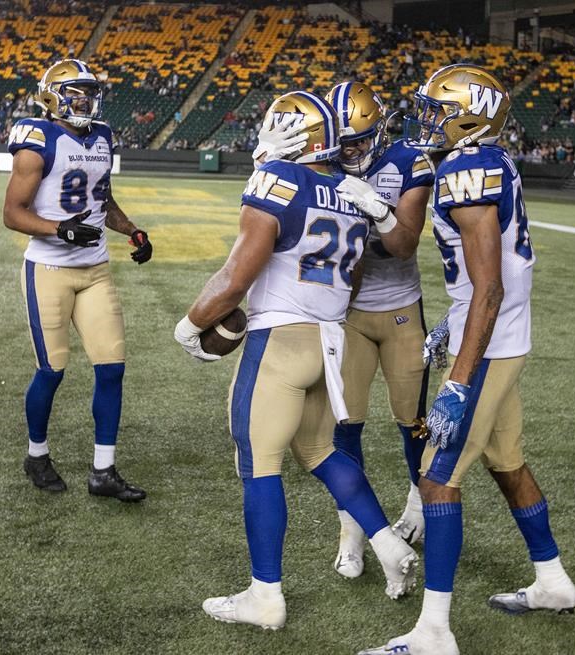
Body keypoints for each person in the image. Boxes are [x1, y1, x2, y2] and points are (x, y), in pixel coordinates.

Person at [175, 91, 418, 631]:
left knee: (259, 463)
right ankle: (386, 545)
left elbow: (238, 274)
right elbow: (351, 276)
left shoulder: (275, 181)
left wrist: (191, 325)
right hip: (329, 341)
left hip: (279, 340)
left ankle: (265, 597)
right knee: (320, 450)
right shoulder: (352, 193)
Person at [361, 64, 575, 655]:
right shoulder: (488, 158)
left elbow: (489, 288)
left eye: (437, 109)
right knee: (507, 464)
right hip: (494, 337)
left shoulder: (465, 168)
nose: (427, 118)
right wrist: (452, 329)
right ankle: (554, 581)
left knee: (436, 480)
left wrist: (459, 381)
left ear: (469, 117)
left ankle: (434, 633)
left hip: (489, 344)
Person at [2, 59, 153, 501]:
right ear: (52, 96)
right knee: (51, 371)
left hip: (96, 269)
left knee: (112, 367)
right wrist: (60, 229)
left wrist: (132, 230)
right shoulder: (37, 139)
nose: (85, 100)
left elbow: (101, 197)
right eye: (75, 92)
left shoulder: (102, 136)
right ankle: (36, 455)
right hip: (49, 269)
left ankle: (103, 471)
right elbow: (12, 213)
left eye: (88, 92)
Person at [321, 80, 435, 577]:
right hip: (345, 312)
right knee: (346, 426)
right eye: (343, 143)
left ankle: (417, 502)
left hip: (400, 308)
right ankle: (352, 530)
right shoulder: (320, 162)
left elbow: (404, 244)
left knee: (413, 420)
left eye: (361, 140)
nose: (352, 152)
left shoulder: (409, 160)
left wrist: (377, 210)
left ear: (382, 130)